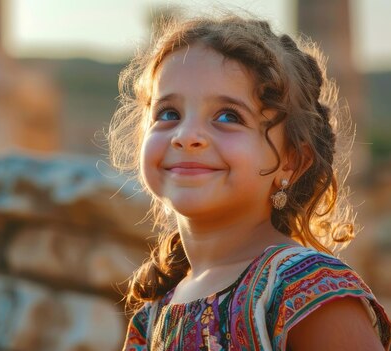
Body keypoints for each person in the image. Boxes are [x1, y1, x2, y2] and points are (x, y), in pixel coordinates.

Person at [107, 13, 391, 351]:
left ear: (292, 161)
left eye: (228, 116)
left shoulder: (305, 292)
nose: (186, 136)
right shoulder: (153, 314)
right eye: (169, 113)